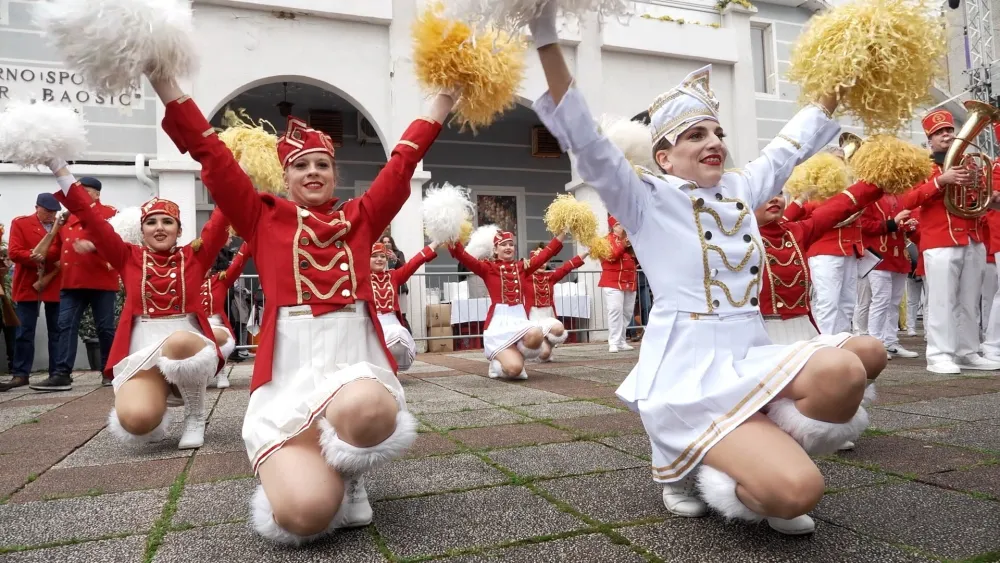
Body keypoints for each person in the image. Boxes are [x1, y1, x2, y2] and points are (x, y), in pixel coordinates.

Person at [527, 3, 885, 535]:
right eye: (695, 136)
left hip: (750, 350)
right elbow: (588, 140)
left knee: (859, 361)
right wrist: (543, 32)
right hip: (689, 368)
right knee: (795, 495)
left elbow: (793, 143)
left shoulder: (742, 188)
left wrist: (844, 67)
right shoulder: (644, 198)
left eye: (717, 133)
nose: (714, 142)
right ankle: (688, 463)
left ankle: (755, 446)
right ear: (664, 158)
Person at [148, 72, 457, 544]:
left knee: (368, 404)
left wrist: (442, 100)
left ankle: (353, 477)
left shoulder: (362, 216)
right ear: (285, 176)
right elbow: (212, 156)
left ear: (334, 173)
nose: (312, 172)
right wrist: (166, 81)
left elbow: (402, 162)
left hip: (353, 357)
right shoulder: (259, 214)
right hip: (291, 365)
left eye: (322, 165)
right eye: (300, 166)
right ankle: (314, 473)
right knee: (302, 516)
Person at [45, 164, 230, 449]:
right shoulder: (126, 255)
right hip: (142, 346)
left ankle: (195, 416)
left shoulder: (195, 256)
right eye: (152, 222)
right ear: (141, 229)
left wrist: (229, 173)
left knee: (179, 342)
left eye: (167, 222)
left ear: (179, 230)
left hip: (186, 344)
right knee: (136, 420)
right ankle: (155, 412)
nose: (159, 228)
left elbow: (220, 220)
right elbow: (90, 217)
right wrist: (59, 169)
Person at [905, 110, 999, 373]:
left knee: (970, 300)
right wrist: (940, 181)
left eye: (948, 130)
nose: (946, 135)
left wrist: (985, 195)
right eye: (939, 132)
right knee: (941, 299)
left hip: (973, 237)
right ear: (929, 139)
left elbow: (977, 199)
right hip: (940, 240)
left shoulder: (970, 163)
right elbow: (908, 201)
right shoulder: (921, 166)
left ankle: (967, 351)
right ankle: (938, 354)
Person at [758, 183, 883, 346]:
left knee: (871, 348)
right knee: (829, 303)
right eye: (764, 193)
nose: (774, 198)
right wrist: (802, 198)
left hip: (804, 329)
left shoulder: (795, 232)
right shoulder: (739, 239)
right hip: (762, 333)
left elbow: (836, 208)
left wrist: (877, 181)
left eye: (779, 193)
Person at [33, 177, 120, 391]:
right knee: (65, 326)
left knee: (105, 328)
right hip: (72, 281)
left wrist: (94, 246)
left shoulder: (110, 213)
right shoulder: (66, 217)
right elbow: (58, 250)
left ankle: (109, 371)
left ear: (97, 194)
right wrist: (40, 254)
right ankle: (62, 373)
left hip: (101, 280)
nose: (78, 195)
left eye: (85, 191)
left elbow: (120, 244)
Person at [449, 230, 566, 379]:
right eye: (503, 245)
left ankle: (516, 354)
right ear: (495, 250)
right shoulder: (487, 268)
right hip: (499, 324)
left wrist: (563, 233)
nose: (508, 247)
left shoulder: (522, 267)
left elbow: (546, 254)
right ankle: (498, 361)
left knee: (536, 333)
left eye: (511, 244)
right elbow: (464, 257)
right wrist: (453, 240)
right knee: (514, 370)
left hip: (519, 319)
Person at [4, 194, 64, 392]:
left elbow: (60, 251)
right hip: (28, 282)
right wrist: (33, 256)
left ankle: (57, 373)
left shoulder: (59, 225)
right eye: (47, 211)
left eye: (53, 212)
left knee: (57, 330)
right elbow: (14, 252)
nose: (51, 215)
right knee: (24, 331)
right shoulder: (21, 223)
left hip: (53, 281)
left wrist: (45, 255)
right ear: (37, 208)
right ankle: (20, 374)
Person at [858, 194, 920, 359]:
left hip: (899, 255)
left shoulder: (903, 198)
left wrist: (910, 226)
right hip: (879, 255)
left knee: (894, 302)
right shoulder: (870, 198)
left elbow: (907, 228)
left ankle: (890, 342)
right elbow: (864, 225)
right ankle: (876, 344)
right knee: (881, 300)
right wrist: (893, 222)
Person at [371, 241, 440, 371]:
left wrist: (436, 243)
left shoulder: (393, 276)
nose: (379, 259)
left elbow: (414, 262)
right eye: (374, 256)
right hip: (371, 321)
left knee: (398, 338)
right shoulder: (360, 278)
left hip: (391, 321)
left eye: (382, 256)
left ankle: (389, 371)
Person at [199, 241, 251, 389]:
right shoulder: (187, 282)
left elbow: (237, 264)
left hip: (216, 323)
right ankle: (201, 374)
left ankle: (221, 371)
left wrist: (248, 240)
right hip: (195, 324)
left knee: (217, 335)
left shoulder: (219, 281)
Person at [525, 246, 588, 361]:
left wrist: (586, 253)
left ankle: (546, 345)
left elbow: (567, 267)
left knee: (559, 330)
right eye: (539, 261)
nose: (542, 264)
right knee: (544, 355)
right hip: (533, 317)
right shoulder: (525, 278)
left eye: (544, 261)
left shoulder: (550, 277)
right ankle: (537, 348)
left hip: (548, 315)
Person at [600, 216, 637, 352]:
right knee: (615, 310)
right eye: (619, 224)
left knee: (627, 313)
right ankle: (614, 342)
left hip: (629, 280)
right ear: (613, 227)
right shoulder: (604, 241)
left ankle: (621, 341)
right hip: (612, 280)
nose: (622, 226)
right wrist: (624, 244)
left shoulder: (630, 238)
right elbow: (611, 255)